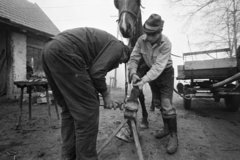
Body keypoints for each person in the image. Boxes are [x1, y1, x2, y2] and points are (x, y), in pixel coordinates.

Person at [41, 27, 131, 160]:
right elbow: (96, 73)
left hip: (49, 50)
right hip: (66, 52)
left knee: (70, 110)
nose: (118, 64)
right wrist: (106, 95)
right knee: (88, 111)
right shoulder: (117, 47)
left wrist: (101, 95)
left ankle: (68, 157)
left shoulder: (103, 44)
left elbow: (88, 76)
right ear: (125, 53)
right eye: (121, 61)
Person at [128, 14, 178, 154]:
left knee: (166, 104)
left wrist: (142, 81)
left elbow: (158, 68)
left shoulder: (166, 43)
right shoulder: (141, 40)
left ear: (160, 32)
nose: (148, 37)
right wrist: (133, 73)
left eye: (152, 34)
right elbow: (134, 58)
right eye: (146, 33)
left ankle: (174, 137)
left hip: (165, 73)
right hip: (153, 74)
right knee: (157, 103)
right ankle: (166, 129)